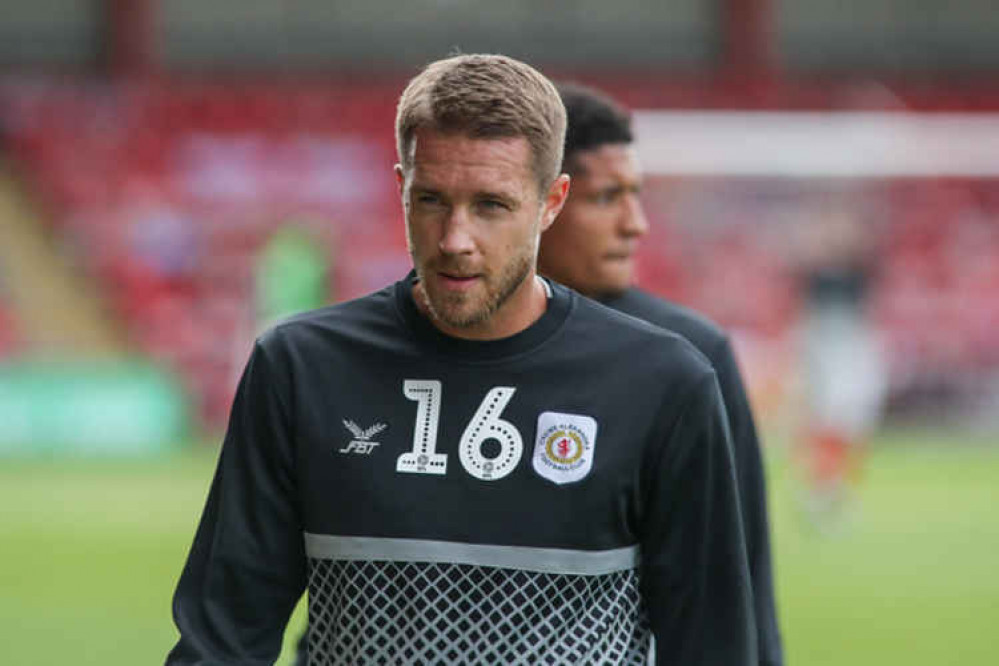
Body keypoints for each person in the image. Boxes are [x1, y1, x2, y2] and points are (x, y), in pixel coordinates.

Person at [167, 54, 755, 665]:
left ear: (551, 203)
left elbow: (713, 646)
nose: (455, 239)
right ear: (400, 187)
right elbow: (223, 639)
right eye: (431, 200)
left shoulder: (662, 384)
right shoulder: (300, 368)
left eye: (491, 206)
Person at [538, 82, 783, 666]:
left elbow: (742, 574)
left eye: (637, 196)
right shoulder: (454, 343)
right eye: (607, 198)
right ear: (544, 202)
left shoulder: (690, 354)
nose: (636, 224)